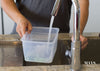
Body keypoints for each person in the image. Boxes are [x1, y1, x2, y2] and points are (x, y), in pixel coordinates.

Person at [1, 0, 89, 65]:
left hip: (57, 43)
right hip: (22, 40)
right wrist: (19, 19)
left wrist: (78, 32)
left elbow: (82, 3)